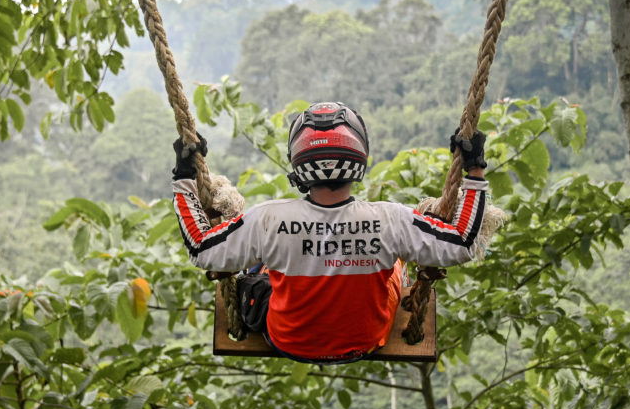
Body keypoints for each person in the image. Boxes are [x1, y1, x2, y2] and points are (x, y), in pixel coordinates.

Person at [172, 102, 489, 364]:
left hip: (288, 341)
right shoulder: (391, 219)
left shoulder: (267, 219)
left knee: (257, 272)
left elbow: (201, 249)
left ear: (298, 163)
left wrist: (184, 175)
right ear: (359, 157)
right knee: (394, 262)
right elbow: (464, 242)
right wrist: (474, 167)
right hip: (365, 341)